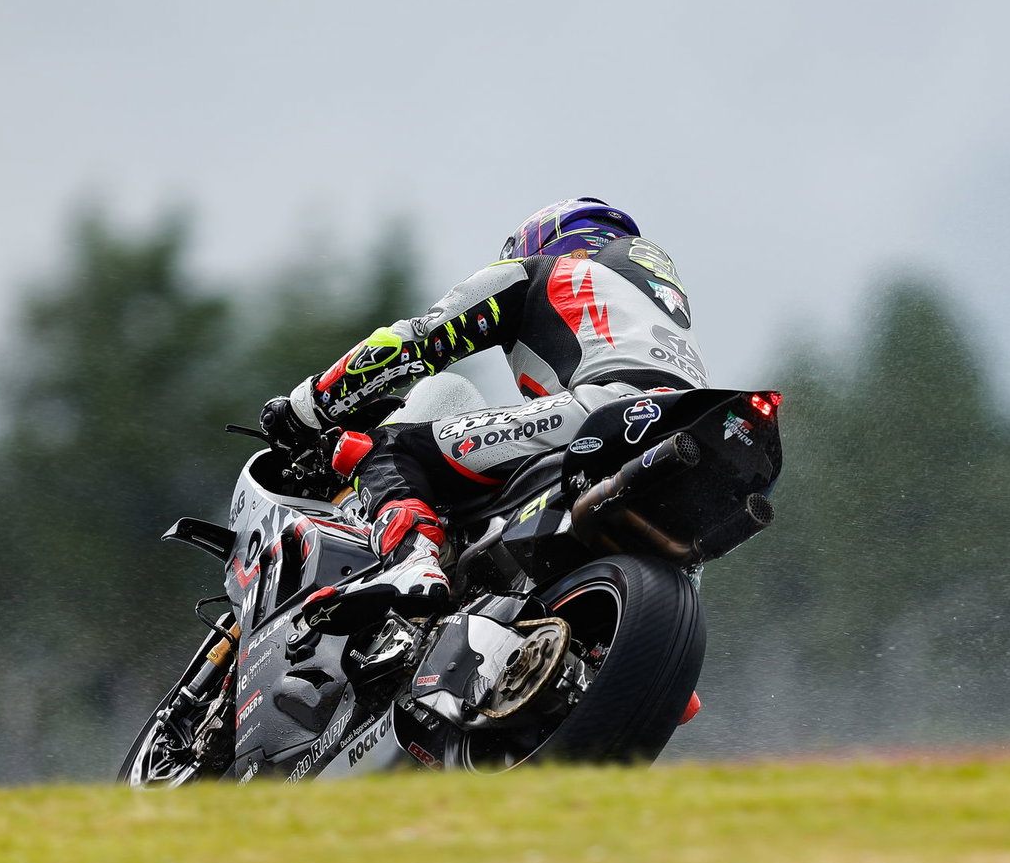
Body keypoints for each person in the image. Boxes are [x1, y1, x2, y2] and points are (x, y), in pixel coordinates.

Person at [260, 197, 710, 617]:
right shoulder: (657, 310)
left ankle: (411, 563)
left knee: (388, 448)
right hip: (696, 436)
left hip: (607, 412)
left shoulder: (541, 272)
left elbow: (411, 343)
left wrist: (307, 406)